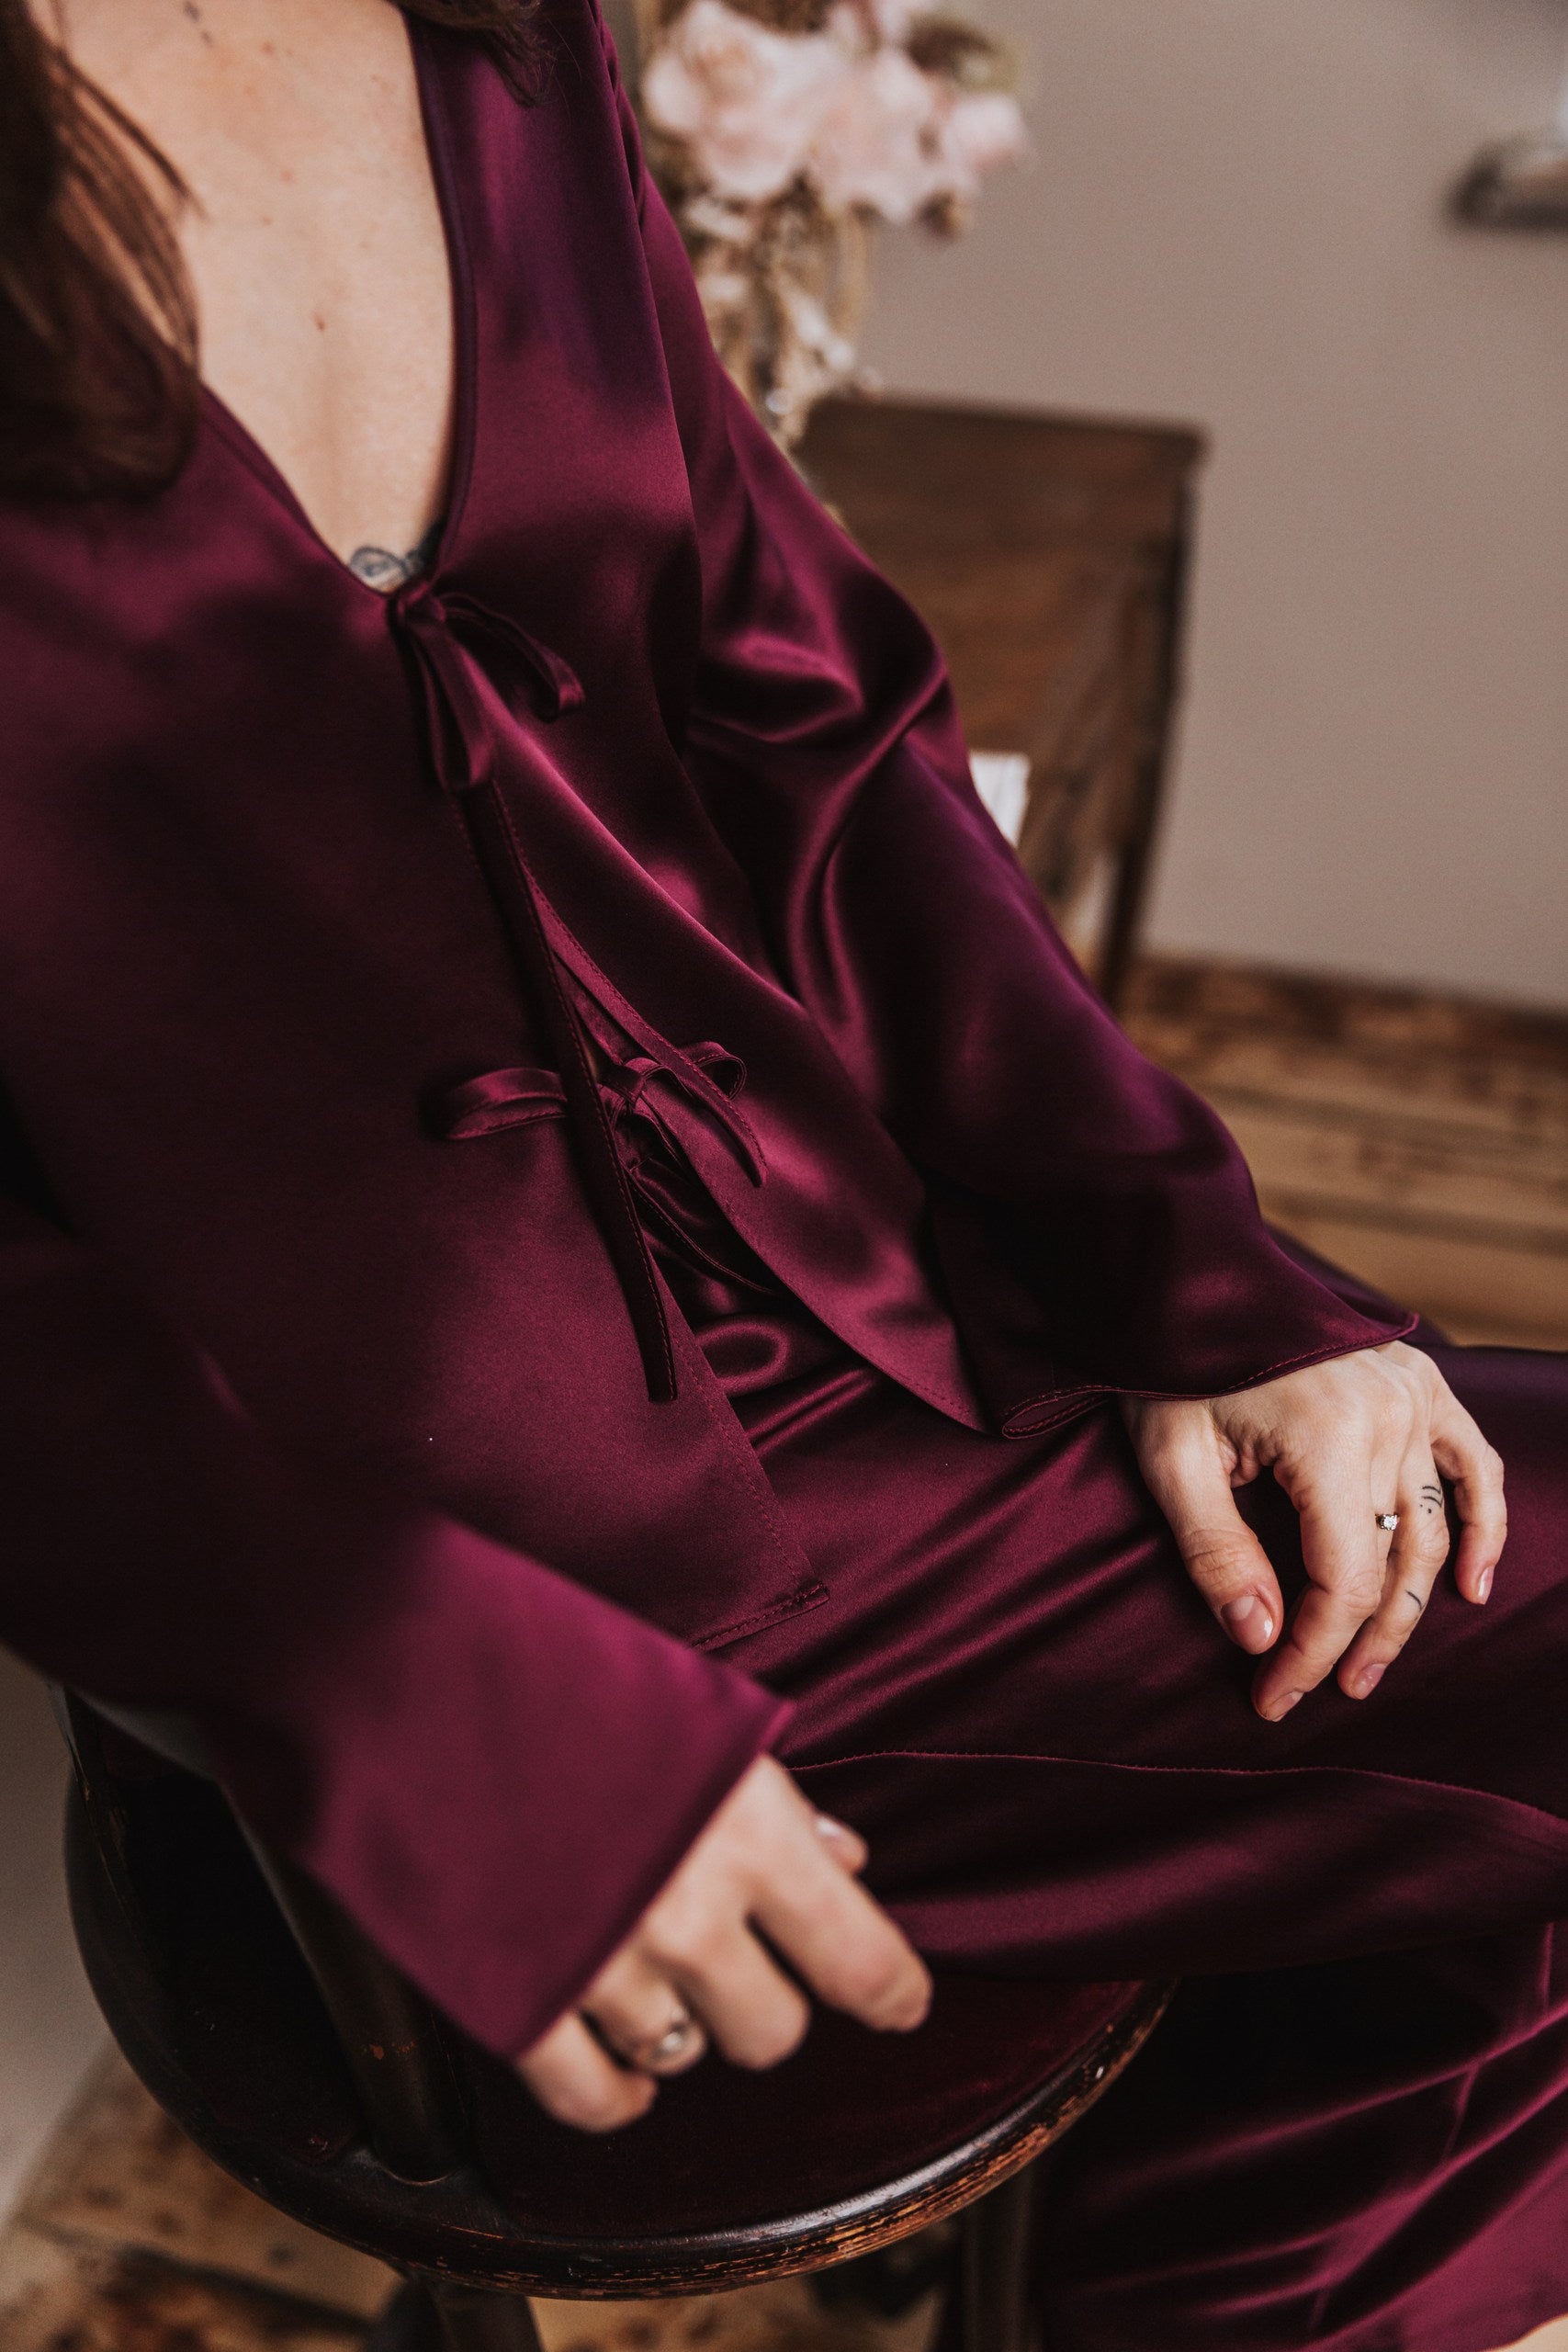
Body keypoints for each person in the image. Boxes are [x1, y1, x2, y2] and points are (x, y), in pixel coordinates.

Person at [1, 0, 1564, 2344]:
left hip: (883, 1296)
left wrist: (1190, 1262)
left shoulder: (495, 32)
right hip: (441, 1563)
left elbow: (800, 701)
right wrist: (368, 1661)